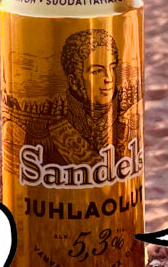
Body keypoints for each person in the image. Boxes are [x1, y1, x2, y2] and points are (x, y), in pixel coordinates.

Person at [27, 28, 139, 166]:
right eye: (97, 71)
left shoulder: (128, 129)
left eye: (112, 68)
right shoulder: (43, 135)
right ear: (74, 81)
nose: (109, 78)